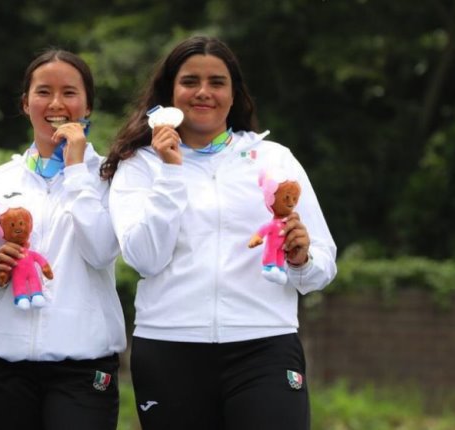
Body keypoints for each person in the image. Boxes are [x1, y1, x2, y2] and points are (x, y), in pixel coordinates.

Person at [101, 35, 337, 429]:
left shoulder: (274, 159)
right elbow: (144, 258)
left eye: (217, 82)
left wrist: (301, 258)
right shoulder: (139, 165)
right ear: (170, 93)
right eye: (190, 81)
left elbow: (322, 267)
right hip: (170, 345)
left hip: (264, 345)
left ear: (234, 94)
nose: (203, 92)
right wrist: (170, 172)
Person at [0, 49, 126, 430]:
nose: (56, 104)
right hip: (1, 367)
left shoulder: (113, 179)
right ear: (25, 104)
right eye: (43, 92)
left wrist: (76, 169)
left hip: (83, 368)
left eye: (69, 92)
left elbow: (102, 251)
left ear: (88, 105)